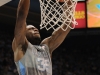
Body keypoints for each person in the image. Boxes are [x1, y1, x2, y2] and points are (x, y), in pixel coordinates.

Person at [12, 0, 73, 75]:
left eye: (35, 28)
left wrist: (69, 2)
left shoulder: (46, 48)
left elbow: (67, 26)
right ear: (23, 32)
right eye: (30, 29)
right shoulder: (20, 45)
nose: (35, 29)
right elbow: (21, 16)